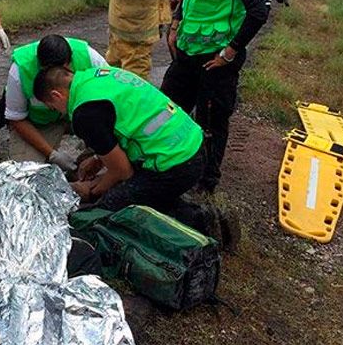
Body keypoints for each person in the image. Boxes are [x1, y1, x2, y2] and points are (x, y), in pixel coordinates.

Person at [33, 65, 223, 240]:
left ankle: (200, 220)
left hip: (177, 164)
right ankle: (182, 208)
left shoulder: (84, 113)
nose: (58, 113)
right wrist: (99, 159)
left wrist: (92, 191)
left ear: (56, 95)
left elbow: (123, 171)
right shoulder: (97, 75)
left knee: (107, 209)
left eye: (53, 108)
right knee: (136, 190)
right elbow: (122, 122)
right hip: (191, 143)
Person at [162, 0, 268, 193]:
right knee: (169, 109)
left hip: (215, 60)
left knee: (210, 122)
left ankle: (205, 183)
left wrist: (230, 51)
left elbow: (259, 12)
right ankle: (169, 163)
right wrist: (175, 23)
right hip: (186, 50)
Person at [1, 33, 106, 168]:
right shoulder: (20, 70)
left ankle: (89, 159)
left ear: (69, 61)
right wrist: (52, 155)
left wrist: (97, 143)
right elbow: (16, 118)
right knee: (25, 169)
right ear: (41, 65)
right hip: (40, 124)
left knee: (110, 155)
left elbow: (112, 99)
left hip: (82, 115)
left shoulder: (90, 58)